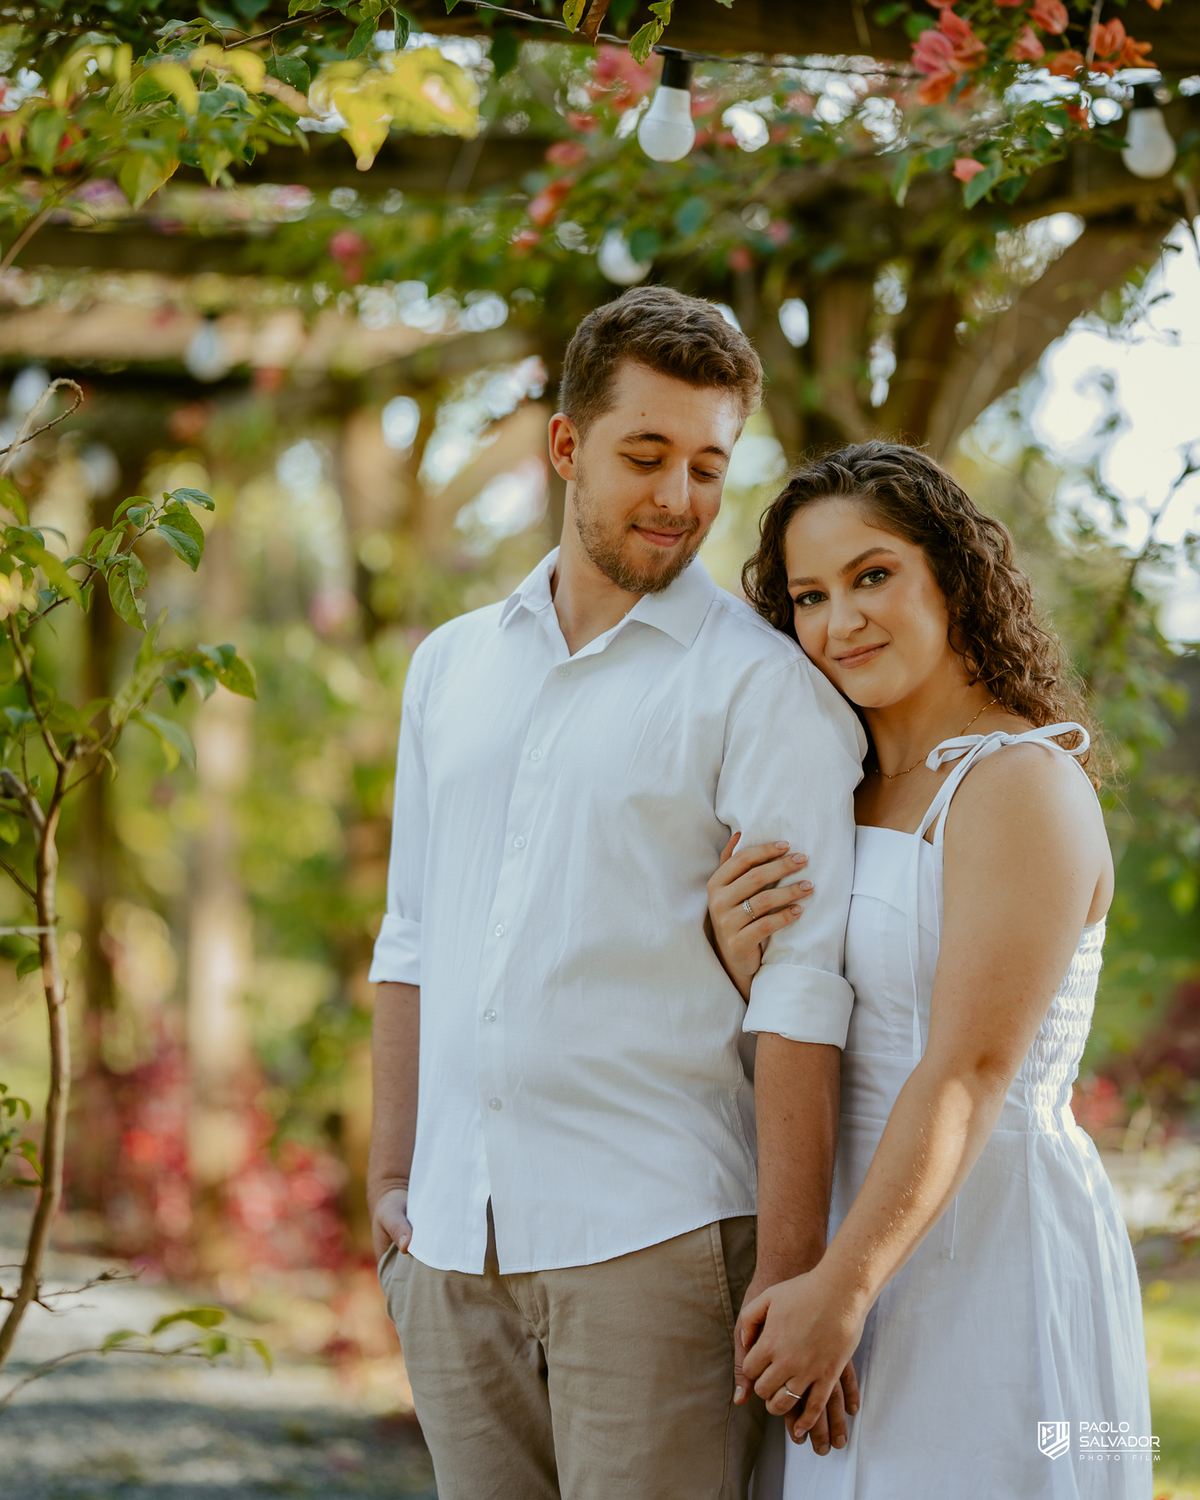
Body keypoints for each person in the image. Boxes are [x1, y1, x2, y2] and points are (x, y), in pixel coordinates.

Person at [366, 286, 865, 1500]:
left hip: (658, 1246)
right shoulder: (450, 669)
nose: (679, 499)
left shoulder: (766, 692)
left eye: (707, 464)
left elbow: (804, 992)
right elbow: (413, 934)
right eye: (646, 456)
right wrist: (393, 1188)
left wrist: (791, 1273)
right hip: (452, 1242)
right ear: (565, 446)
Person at [709, 442, 1152, 1499]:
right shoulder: (833, 789)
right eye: (810, 597)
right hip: (829, 1226)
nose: (840, 621)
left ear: (950, 574)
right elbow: (816, 1022)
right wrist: (738, 958)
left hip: (986, 1246)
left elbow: (969, 1069)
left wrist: (845, 1289)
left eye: (872, 576)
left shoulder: (1020, 785)